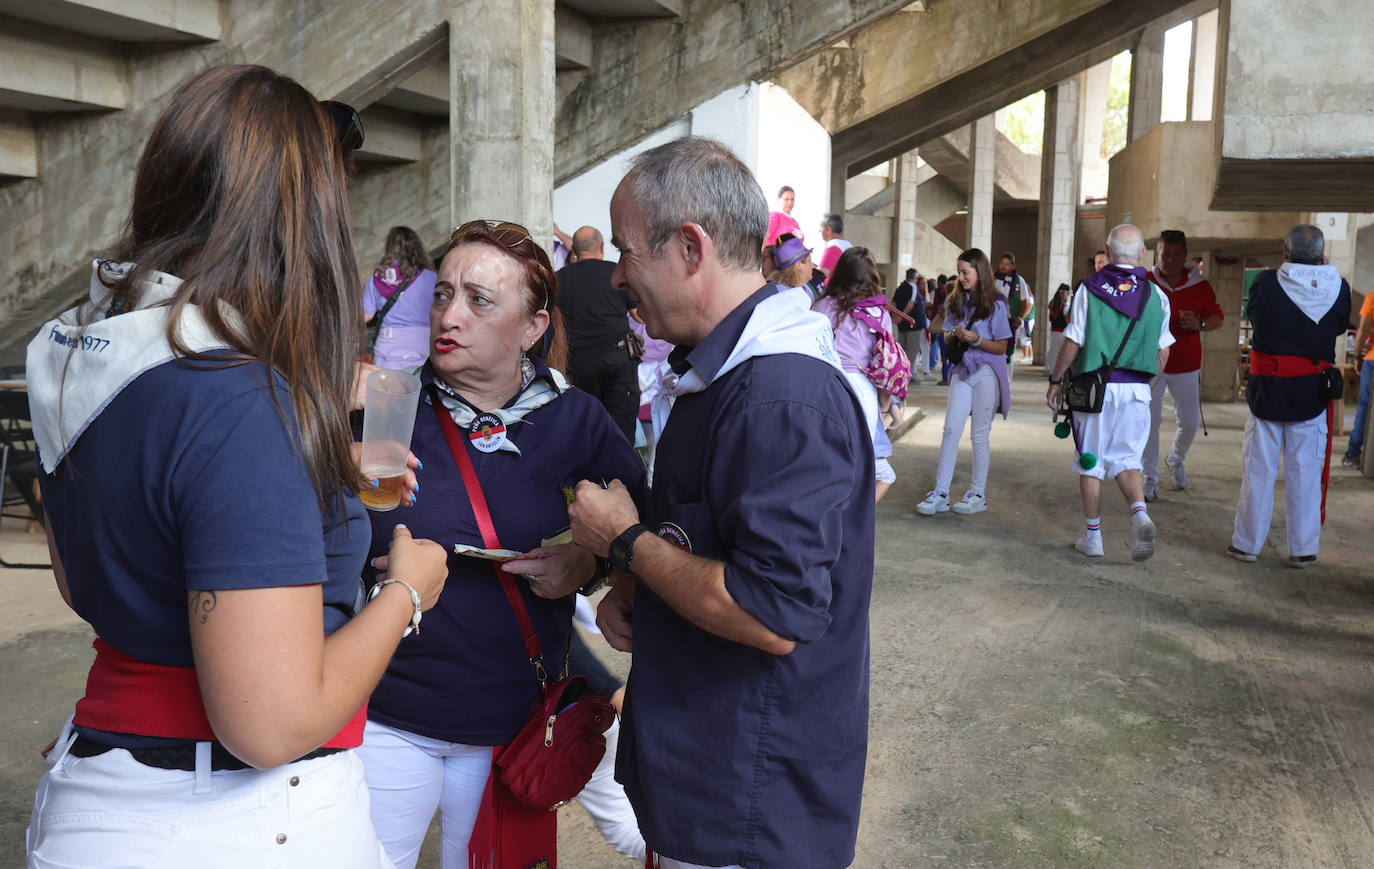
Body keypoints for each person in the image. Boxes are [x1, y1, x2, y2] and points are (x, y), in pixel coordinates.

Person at [24, 64, 450, 867]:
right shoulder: (239, 399)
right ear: (304, 223)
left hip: (98, 797)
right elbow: (270, 723)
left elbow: (91, 579)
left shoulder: (86, 355)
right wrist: (405, 592)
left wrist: (295, 476)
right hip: (236, 825)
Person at [569, 135, 874, 869]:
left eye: (627, 251)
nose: (615, 277)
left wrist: (625, 542)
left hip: (748, 799)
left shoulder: (779, 397)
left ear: (691, 247)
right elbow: (708, 537)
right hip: (710, 771)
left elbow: (771, 611)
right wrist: (639, 585)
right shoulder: (719, 375)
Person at [356, 219, 648, 869]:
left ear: (531, 328)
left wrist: (587, 559)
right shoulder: (388, 402)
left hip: (513, 722)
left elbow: (635, 524)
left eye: (479, 300)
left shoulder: (573, 419)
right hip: (388, 712)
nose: (449, 314)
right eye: (442, 293)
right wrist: (334, 466)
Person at [1047, 224, 1173, 562]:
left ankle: (1093, 538)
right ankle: (1140, 514)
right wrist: (1147, 385)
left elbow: (1073, 341)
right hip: (1136, 391)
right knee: (1128, 459)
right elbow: (1164, 351)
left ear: (1107, 249)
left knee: (1091, 461)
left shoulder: (1089, 289)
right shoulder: (1156, 295)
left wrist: (1056, 380)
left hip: (1096, 390)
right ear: (1143, 254)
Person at [1229, 224, 1351, 567]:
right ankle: (1303, 549)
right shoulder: (1339, 287)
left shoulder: (1266, 283)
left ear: (1285, 251)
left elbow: (1255, 316)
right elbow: (1341, 324)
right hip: (1312, 392)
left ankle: (1247, 545)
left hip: (1268, 389)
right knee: (1307, 473)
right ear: (1323, 255)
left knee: (1258, 470)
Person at [917, 249, 1014, 517]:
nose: (960, 277)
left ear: (979, 272)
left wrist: (976, 339)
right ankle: (941, 492)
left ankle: (978, 493)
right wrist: (955, 335)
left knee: (979, 434)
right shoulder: (955, 299)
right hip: (962, 369)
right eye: (959, 272)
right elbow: (945, 333)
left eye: (965, 272)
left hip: (986, 371)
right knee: (950, 430)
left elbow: (1003, 346)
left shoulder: (996, 303)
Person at [815, 246, 903, 501]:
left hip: (826, 385)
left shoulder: (822, 306)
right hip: (862, 391)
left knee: (829, 456)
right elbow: (884, 361)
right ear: (871, 275)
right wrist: (886, 404)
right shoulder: (879, 313)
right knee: (860, 459)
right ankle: (853, 521)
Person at [1143, 230, 1225, 499]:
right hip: (1151, 364)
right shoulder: (1145, 280)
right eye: (1164, 254)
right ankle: (1149, 479)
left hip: (1186, 363)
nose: (1169, 260)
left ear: (1185, 256)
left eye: (1176, 255)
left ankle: (1175, 458)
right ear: (1156, 254)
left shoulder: (1199, 286)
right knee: (1150, 422)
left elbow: (1217, 317)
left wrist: (1199, 324)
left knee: (1190, 422)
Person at [556, 225, 640, 441]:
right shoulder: (616, 273)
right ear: (602, 247)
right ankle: (623, 473)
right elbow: (639, 315)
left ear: (573, 249)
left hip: (581, 366)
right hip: (618, 359)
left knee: (589, 430)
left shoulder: (559, 280)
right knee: (622, 431)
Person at [364, 226, 439, 370]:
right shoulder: (433, 278)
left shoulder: (378, 278)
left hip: (387, 349)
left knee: (385, 392)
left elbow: (365, 316)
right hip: (423, 347)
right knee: (420, 391)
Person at [1340, 290, 1373, 468]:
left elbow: (1362, 331)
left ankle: (1353, 455)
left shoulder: (1372, 297)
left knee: (1365, 408)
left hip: (1372, 360)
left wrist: (1358, 357)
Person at [996, 252, 1033, 372]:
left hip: (1011, 320)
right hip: (996, 320)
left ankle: (1006, 382)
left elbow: (1024, 301)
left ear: (1012, 266)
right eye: (1002, 263)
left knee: (1009, 352)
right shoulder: (994, 279)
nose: (1003, 266)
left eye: (1007, 264)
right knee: (995, 350)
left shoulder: (1019, 280)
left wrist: (1020, 318)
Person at [892, 268, 929, 381]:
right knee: (912, 350)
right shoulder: (913, 287)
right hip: (911, 322)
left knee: (902, 348)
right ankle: (909, 373)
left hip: (902, 323)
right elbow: (911, 304)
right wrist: (902, 316)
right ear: (915, 278)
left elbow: (893, 302)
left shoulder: (900, 287)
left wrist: (896, 316)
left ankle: (902, 372)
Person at [771, 234, 823, 299]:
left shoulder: (805, 288)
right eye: (809, 261)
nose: (812, 265)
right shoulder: (782, 294)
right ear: (799, 264)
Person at [1045, 282, 1072, 379]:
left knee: (1053, 350)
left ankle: (1051, 370)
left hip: (1053, 330)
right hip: (1062, 331)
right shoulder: (1065, 305)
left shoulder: (1053, 303)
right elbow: (1067, 321)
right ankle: (1060, 372)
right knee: (1062, 352)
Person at [817, 212, 853, 278]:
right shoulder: (850, 246)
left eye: (821, 227)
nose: (819, 230)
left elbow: (819, 277)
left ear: (829, 230)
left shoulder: (832, 249)